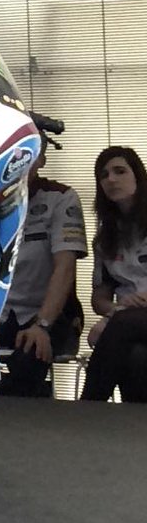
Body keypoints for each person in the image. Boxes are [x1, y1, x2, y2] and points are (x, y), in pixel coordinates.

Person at [0, 150, 84, 397]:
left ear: (41, 160)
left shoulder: (61, 196)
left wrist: (42, 325)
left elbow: (65, 268)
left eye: (29, 154)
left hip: (50, 315)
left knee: (29, 357)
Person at [81, 146, 147, 403]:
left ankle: (87, 407)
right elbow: (99, 299)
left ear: (138, 176)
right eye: (104, 175)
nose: (111, 179)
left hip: (129, 319)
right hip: (128, 321)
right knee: (136, 357)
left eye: (120, 171)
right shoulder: (106, 239)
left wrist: (114, 319)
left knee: (118, 327)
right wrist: (116, 311)